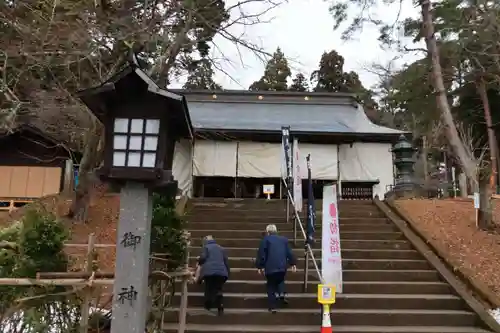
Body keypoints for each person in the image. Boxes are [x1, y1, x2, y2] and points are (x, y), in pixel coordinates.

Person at [256, 224, 297, 313]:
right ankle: (281, 293)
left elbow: (262, 254)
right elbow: (289, 253)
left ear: (267, 232)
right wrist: (293, 264)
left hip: (270, 267)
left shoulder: (265, 240)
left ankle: (272, 306)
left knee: (270, 285)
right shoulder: (284, 240)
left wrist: (260, 266)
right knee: (280, 279)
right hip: (282, 267)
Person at [197, 235, 230, 315]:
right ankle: (220, 305)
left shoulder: (206, 247)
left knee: (209, 287)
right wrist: (227, 272)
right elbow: (226, 261)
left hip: (209, 272)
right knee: (218, 288)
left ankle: (208, 304)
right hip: (221, 272)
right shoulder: (221, 248)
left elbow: (203, 257)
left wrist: (199, 261)